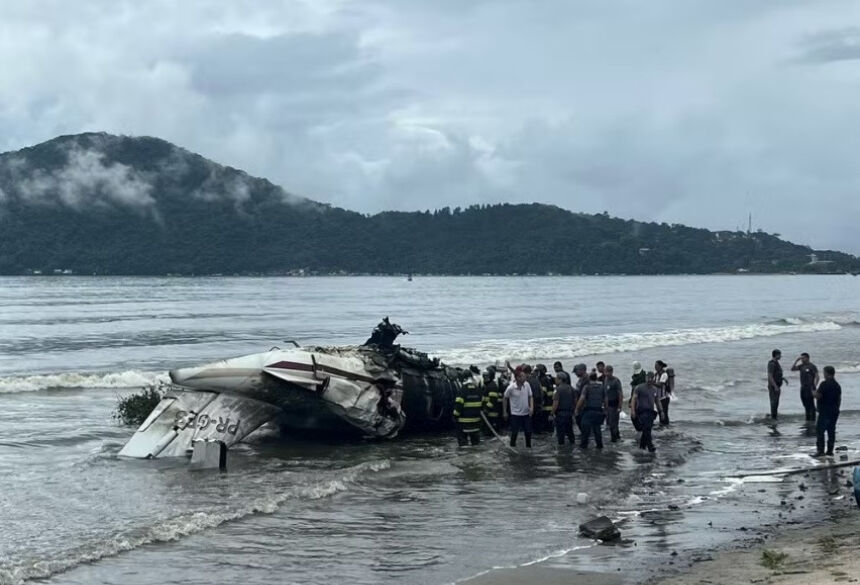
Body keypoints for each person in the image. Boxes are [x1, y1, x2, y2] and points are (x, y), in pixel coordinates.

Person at [631, 372, 664, 452]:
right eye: (648, 378)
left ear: (654, 379)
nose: (650, 380)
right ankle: (650, 447)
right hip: (641, 411)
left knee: (647, 429)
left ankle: (642, 447)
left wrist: (661, 412)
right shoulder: (639, 387)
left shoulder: (654, 389)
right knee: (647, 428)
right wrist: (633, 411)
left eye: (652, 378)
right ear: (646, 378)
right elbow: (633, 399)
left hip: (650, 412)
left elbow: (657, 401)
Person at [814, 366, 841, 456]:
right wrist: (837, 408)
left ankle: (820, 451)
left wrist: (813, 393)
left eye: (824, 372)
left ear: (827, 373)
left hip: (825, 411)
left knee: (820, 430)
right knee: (831, 431)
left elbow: (819, 396)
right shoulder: (837, 385)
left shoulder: (824, 384)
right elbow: (839, 399)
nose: (823, 374)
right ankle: (830, 451)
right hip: (834, 411)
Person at [504, 367, 534, 448]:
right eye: (522, 376)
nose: (524, 377)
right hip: (515, 414)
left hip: (526, 413)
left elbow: (530, 396)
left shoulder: (527, 385)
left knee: (528, 432)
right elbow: (505, 398)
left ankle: (528, 447)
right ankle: (512, 447)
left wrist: (531, 407)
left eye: (524, 376)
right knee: (514, 433)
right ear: (517, 378)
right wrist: (505, 412)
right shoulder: (511, 388)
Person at [576, 372, 607, 449]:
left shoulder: (587, 387)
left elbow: (582, 398)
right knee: (597, 429)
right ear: (596, 378)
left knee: (585, 430)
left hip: (589, 411)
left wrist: (577, 409)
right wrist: (605, 410)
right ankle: (599, 446)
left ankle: (584, 447)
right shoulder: (602, 387)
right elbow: (606, 399)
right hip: (599, 410)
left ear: (589, 378)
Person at [453, 379, 483, 446]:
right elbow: (482, 405)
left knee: (463, 445)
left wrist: (455, 416)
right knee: (476, 444)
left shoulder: (462, 390)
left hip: (463, 423)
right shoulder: (478, 390)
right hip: (476, 422)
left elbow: (458, 406)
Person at [791, 353, 819, 422]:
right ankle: (808, 418)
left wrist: (814, 385)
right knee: (805, 403)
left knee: (810, 404)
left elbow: (817, 376)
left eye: (803, 358)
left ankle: (812, 420)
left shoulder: (812, 366)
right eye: (801, 358)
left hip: (810, 387)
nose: (802, 359)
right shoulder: (801, 366)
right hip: (803, 387)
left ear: (807, 358)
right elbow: (792, 369)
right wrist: (796, 361)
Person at [551, 371, 576, 445]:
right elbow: (575, 401)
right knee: (570, 432)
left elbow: (555, 403)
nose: (555, 380)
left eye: (556, 379)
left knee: (560, 434)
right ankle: (572, 445)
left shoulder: (558, 390)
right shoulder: (571, 388)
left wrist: (551, 413)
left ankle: (561, 450)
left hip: (560, 415)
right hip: (569, 414)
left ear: (560, 380)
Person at [603, 365, 624, 442]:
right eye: (605, 372)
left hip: (615, 404)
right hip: (608, 405)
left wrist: (619, 406)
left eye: (608, 372)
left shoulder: (616, 381)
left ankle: (614, 439)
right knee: (610, 423)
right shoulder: (605, 380)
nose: (606, 373)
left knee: (613, 424)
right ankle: (617, 437)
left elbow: (620, 394)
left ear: (611, 372)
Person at [523, 365, 545, 433]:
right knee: (537, 422)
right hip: (538, 403)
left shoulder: (526, 381)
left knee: (530, 424)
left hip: (531, 404)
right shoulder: (536, 380)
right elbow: (541, 392)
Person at [481, 367, 503, 434]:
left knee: (490, 433)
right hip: (488, 414)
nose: (484, 377)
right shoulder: (488, 385)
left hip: (491, 414)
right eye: (484, 376)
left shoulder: (492, 386)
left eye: (486, 376)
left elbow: (492, 400)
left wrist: (486, 409)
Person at [767, 349, 787, 420]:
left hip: (777, 386)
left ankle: (774, 416)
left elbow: (777, 374)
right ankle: (773, 418)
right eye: (779, 355)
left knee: (776, 402)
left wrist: (783, 378)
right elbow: (770, 376)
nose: (780, 356)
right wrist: (775, 386)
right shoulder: (771, 364)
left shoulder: (777, 363)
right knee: (774, 402)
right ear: (776, 355)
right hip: (773, 387)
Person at [572, 363, 588, 430]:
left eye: (576, 371)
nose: (575, 374)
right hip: (580, 404)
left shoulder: (587, 379)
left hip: (585, 405)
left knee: (584, 423)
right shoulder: (581, 379)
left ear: (582, 370)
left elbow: (584, 394)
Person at [654, 360, 671, 425]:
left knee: (664, 413)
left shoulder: (664, 374)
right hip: (658, 398)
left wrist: (652, 383)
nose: (655, 367)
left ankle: (666, 426)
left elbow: (660, 385)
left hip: (664, 398)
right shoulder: (656, 374)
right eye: (655, 366)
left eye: (656, 366)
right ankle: (663, 425)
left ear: (661, 366)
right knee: (661, 412)